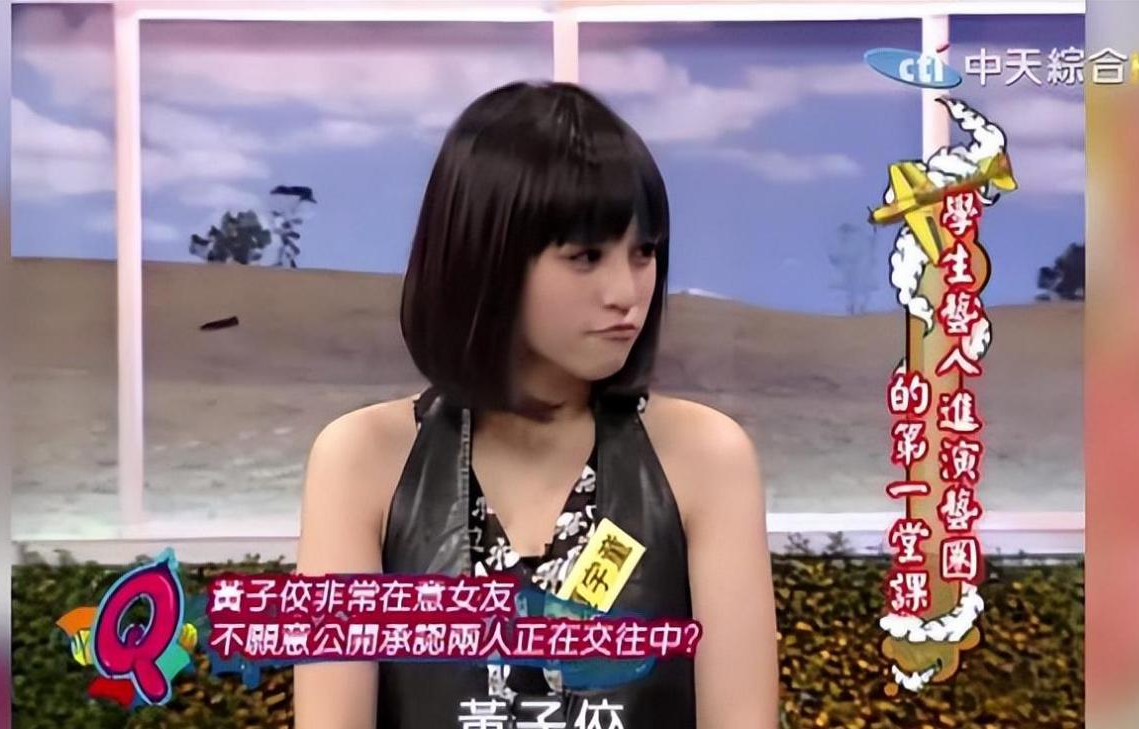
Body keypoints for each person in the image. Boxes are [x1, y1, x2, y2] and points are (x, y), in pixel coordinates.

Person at [295, 80, 778, 729]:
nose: (626, 291)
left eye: (643, 253)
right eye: (586, 256)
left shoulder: (703, 457)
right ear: (484, 260)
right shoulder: (362, 460)